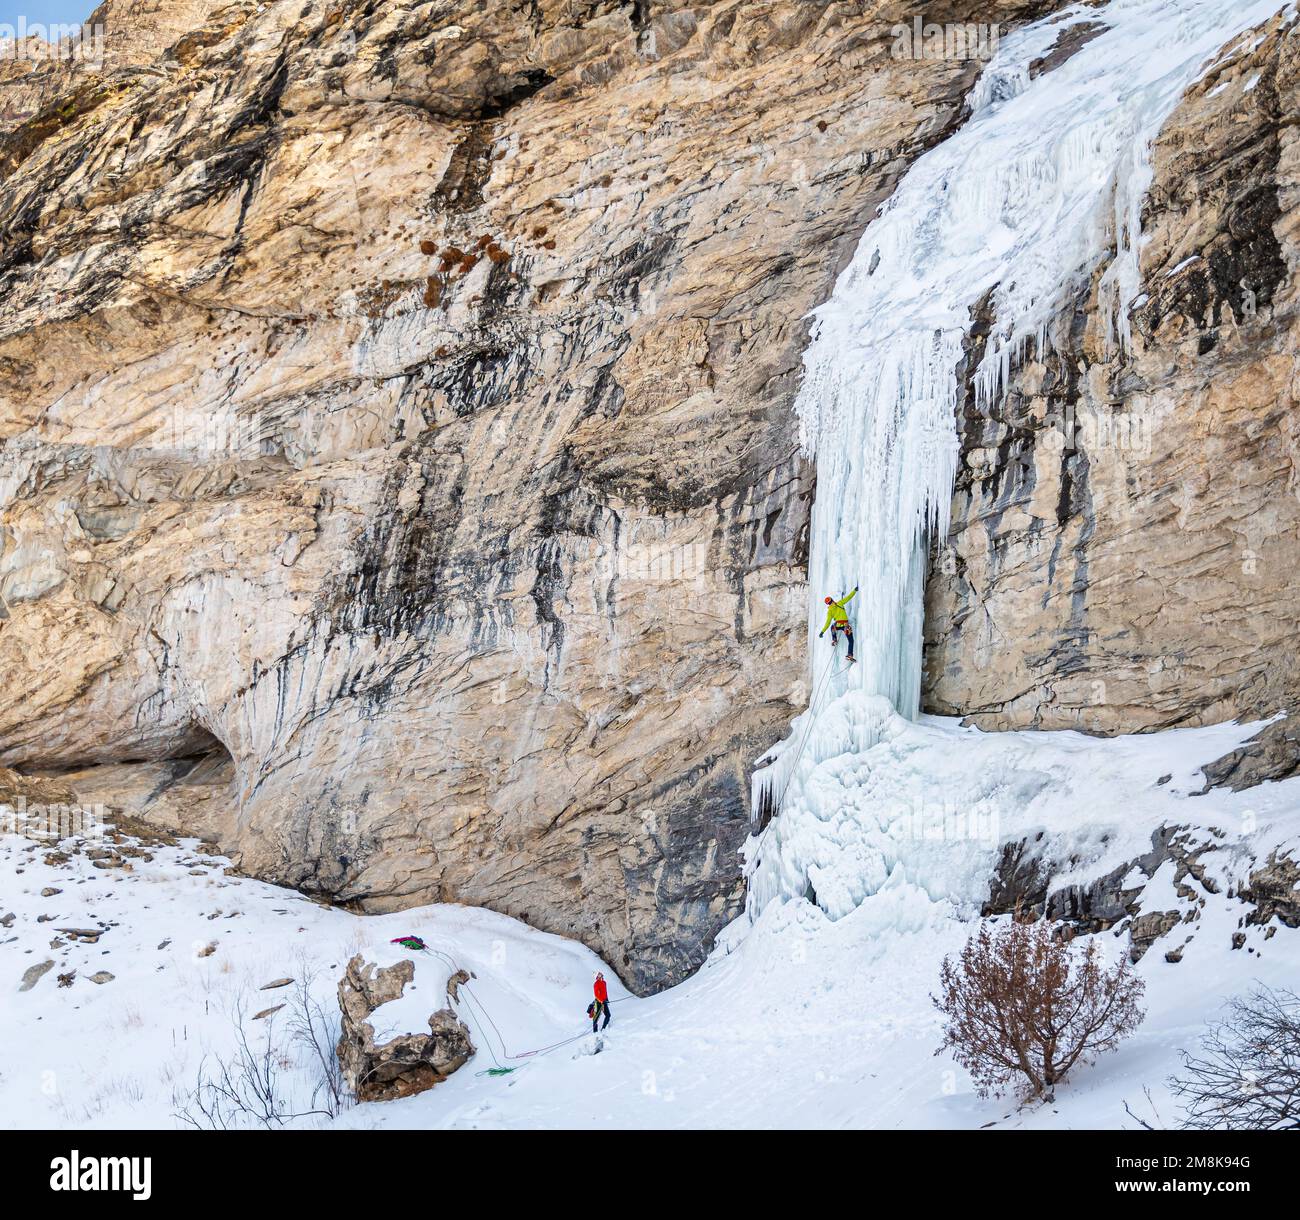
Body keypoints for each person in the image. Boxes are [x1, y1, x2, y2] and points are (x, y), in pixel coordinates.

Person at [818, 586, 858, 663]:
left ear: (827, 604)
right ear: (832, 600)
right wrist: (854, 591)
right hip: (846, 626)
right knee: (851, 640)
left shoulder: (830, 611)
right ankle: (850, 654)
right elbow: (849, 597)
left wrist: (822, 631)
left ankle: (834, 639)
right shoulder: (840, 603)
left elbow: (828, 622)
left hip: (837, 625)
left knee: (832, 627)